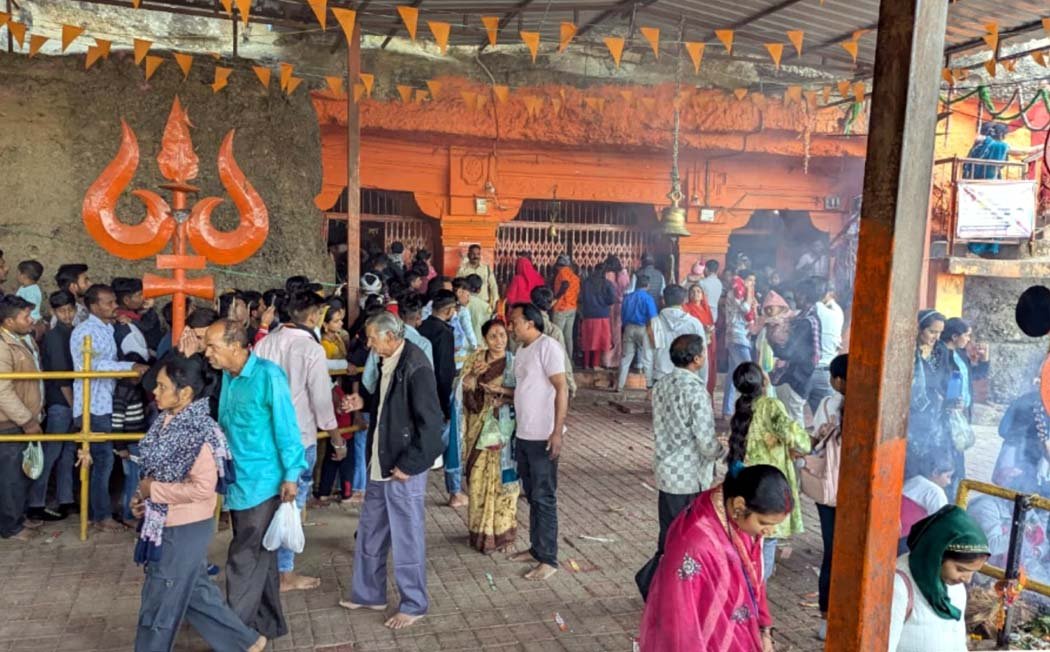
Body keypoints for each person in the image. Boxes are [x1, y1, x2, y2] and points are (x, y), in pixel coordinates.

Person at [130, 355, 267, 652]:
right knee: (193, 591)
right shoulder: (166, 422)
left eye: (162, 387)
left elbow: (204, 488)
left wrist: (154, 491)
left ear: (185, 393)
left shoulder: (200, 433)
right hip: (167, 520)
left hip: (184, 526)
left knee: (160, 597)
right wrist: (143, 497)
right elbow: (151, 473)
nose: (155, 392)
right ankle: (245, 642)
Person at [203, 319, 308, 641]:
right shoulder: (227, 377)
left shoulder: (268, 376)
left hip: (263, 482)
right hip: (238, 480)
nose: (207, 353)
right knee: (260, 554)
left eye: (212, 347)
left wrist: (292, 474)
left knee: (243, 557)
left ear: (236, 346)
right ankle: (269, 623)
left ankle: (234, 635)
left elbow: (287, 427)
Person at [340, 311, 444, 630]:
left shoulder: (416, 366)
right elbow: (388, 405)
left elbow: (432, 426)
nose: (369, 344)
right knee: (371, 529)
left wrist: (409, 464)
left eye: (373, 338)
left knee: (406, 536)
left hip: (402, 466)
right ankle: (369, 594)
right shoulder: (389, 360)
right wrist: (363, 403)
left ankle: (414, 604)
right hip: (381, 459)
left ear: (390, 336)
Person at [638, 465, 791, 652]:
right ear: (739, 505)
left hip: (739, 629)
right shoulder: (695, 543)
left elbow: (754, 580)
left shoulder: (734, 512)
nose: (770, 531)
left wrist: (764, 631)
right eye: (764, 523)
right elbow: (680, 621)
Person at [254, 291, 341, 593]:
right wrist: (336, 437)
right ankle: (284, 573)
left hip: (267, 437)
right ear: (314, 316)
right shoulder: (310, 349)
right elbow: (321, 399)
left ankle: (267, 568)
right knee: (292, 505)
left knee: (268, 503)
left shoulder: (265, 343)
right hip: (299, 438)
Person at [637, 334, 721, 599]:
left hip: (666, 470)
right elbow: (706, 442)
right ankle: (662, 588)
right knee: (687, 537)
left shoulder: (661, 385)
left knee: (669, 533)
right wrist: (723, 450)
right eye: (703, 353)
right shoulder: (696, 391)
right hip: (689, 475)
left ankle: (661, 588)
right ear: (696, 359)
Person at [71, 284, 149, 533]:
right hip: (93, 404)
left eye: (115, 301)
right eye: (109, 302)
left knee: (104, 462)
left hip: (106, 401)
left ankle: (98, 512)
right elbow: (92, 365)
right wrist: (129, 368)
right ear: (94, 306)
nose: (115, 306)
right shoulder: (85, 331)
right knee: (102, 462)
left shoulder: (107, 327)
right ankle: (100, 516)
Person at [725, 362, 811, 580]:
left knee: (748, 541)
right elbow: (797, 438)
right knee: (767, 539)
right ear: (763, 381)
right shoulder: (771, 405)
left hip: (745, 483)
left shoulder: (742, 407)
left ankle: (744, 587)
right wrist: (807, 443)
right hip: (768, 486)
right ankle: (756, 591)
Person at [506, 303, 568, 581]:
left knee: (544, 497)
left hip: (543, 434)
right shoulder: (522, 350)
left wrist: (556, 432)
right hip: (524, 433)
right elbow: (524, 389)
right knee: (532, 494)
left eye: (515, 321)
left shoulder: (548, 347)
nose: (511, 326)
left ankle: (549, 559)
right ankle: (536, 548)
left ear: (530, 322)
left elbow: (562, 388)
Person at [456, 318, 520, 553]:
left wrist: (502, 394)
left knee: (504, 483)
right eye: (493, 336)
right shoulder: (475, 360)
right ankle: (480, 534)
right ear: (484, 339)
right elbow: (460, 392)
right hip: (478, 430)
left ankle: (503, 535)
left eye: (502, 335)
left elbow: (524, 394)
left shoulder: (514, 363)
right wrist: (472, 377)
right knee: (477, 480)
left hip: (505, 432)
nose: (498, 341)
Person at [888, 506, 989, 652]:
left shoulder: (956, 588)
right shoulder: (898, 587)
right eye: (960, 569)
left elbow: (958, 642)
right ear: (936, 555)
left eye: (973, 572)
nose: (967, 580)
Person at [800, 353, 847, 641]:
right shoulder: (871, 405)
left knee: (831, 552)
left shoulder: (829, 404)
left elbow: (814, 441)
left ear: (839, 380)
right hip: (858, 492)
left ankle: (826, 620)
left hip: (829, 490)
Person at [31, 291, 79, 521]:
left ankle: (66, 499)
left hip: (69, 401)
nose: (67, 315)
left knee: (67, 452)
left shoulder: (73, 332)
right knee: (52, 453)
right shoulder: (54, 336)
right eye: (62, 311)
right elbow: (62, 378)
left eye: (70, 310)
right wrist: (75, 407)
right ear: (53, 312)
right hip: (61, 402)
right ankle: (36, 503)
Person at [0, 295, 43, 541]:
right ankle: (11, 527)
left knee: (21, 473)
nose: (31, 320)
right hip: (9, 423)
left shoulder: (22, 339)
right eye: (26, 316)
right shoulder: (2, 346)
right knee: (10, 477)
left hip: (23, 419)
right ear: (9, 321)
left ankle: (18, 517)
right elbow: (2, 391)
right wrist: (26, 420)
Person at [418, 290, 466, 508]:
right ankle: (455, 491)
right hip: (440, 394)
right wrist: (445, 406)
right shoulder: (445, 333)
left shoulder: (422, 327)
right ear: (449, 311)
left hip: (421, 393)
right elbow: (444, 372)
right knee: (451, 443)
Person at [941, 317, 988, 498]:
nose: (968, 340)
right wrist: (949, 403)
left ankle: (956, 496)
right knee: (948, 460)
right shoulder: (941, 354)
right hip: (946, 414)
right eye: (966, 335)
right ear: (954, 336)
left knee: (959, 457)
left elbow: (975, 376)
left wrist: (984, 360)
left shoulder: (960, 354)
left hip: (962, 413)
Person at [770, 277, 823, 425]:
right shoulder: (805, 318)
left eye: (798, 293)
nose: (795, 296)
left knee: (793, 421)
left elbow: (787, 352)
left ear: (805, 296)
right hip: (800, 376)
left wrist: (772, 341)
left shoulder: (806, 322)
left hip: (797, 378)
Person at [907, 311, 951, 482]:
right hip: (911, 410)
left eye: (940, 332)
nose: (936, 337)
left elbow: (945, 379)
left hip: (934, 411)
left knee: (929, 456)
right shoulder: (908, 349)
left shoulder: (941, 350)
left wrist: (950, 398)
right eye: (932, 332)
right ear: (919, 328)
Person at [652, 285, 706, 387]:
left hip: (661, 377)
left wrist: (649, 384)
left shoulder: (654, 323)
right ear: (684, 301)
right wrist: (703, 382)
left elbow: (648, 355)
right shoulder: (694, 323)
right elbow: (703, 354)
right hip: (689, 379)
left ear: (663, 301)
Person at [528, 287, 577, 399]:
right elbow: (563, 359)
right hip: (547, 381)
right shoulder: (554, 331)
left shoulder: (522, 325)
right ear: (550, 305)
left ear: (531, 301)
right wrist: (570, 384)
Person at [722, 269, 756, 417]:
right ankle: (749, 408)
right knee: (749, 372)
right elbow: (745, 308)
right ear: (742, 280)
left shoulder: (744, 293)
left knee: (732, 373)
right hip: (737, 336)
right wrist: (749, 293)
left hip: (740, 336)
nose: (752, 284)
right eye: (750, 280)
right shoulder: (735, 293)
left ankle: (727, 410)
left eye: (754, 281)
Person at [617, 275, 658, 391]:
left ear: (636, 284)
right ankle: (649, 386)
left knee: (626, 358)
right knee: (647, 357)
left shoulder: (628, 297)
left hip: (629, 328)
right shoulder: (648, 298)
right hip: (643, 328)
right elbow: (653, 317)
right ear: (648, 286)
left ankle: (619, 385)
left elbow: (622, 315)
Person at [578, 264, 617, 371]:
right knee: (599, 341)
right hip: (602, 315)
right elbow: (612, 299)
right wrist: (604, 302)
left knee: (587, 340)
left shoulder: (586, 282)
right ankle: (595, 364)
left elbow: (580, 298)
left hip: (587, 314)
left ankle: (586, 364)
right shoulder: (607, 283)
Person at [683, 283, 716, 396]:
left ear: (702, 295)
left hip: (706, 344)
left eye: (698, 291)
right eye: (692, 292)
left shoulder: (706, 309)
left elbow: (711, 325)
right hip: (692, 345)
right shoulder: (686, 308)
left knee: (705, 375)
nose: (695, 294)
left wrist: (710, 329)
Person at [602, 255, 631, 369]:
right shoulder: (623, 275)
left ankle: (606, 360)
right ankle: (615, 360)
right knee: (617, 334)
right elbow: (626, 289)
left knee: (607, 332)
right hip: (619, 306)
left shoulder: (607, 275)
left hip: (607, 306)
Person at [550, 256, 580, 362]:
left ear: (558, 265)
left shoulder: (562, 272)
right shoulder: (575, 277)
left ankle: (557, 360)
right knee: (568, 336)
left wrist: (556, 298)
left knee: (556, 334)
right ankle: (569, 360)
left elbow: (565, 284)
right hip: (572, 308)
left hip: (561, 308)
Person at [456, 244, 500, 312]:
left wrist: (495, 302)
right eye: (473, 254)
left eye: (478, 254)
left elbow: (493, 286)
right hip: (468, 304)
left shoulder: (486, 269)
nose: (476, 256)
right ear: (468, 255)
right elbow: (457, 286)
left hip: (484, 303)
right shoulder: (462, 270)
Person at [464, 274, 491, 346]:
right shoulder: (485, 306)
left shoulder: (459, 303)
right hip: (479, 344)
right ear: (479, 290)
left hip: (463, 345)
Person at [698, 259, 724, 325]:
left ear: (706, 269)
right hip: (714, 314)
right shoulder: (719, 283)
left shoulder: (702, 283)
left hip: (703, 312)